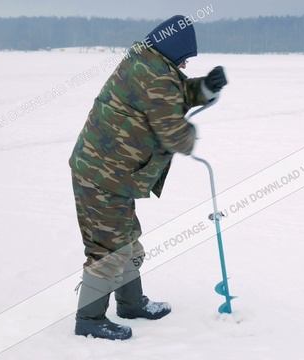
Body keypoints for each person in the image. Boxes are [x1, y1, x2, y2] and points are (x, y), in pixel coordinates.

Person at [69, 15, 228, 340]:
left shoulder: (149, 64)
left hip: (111, 174)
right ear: (174, 49)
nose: (185, 64)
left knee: (127, 243)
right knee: (109, 250)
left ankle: (130, 303)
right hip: (102, 177)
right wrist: (190, 134)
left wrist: (206, 88)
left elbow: (177, 90)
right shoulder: (155, 77)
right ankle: (89, 319)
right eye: (185, 57)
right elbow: (173, 133)